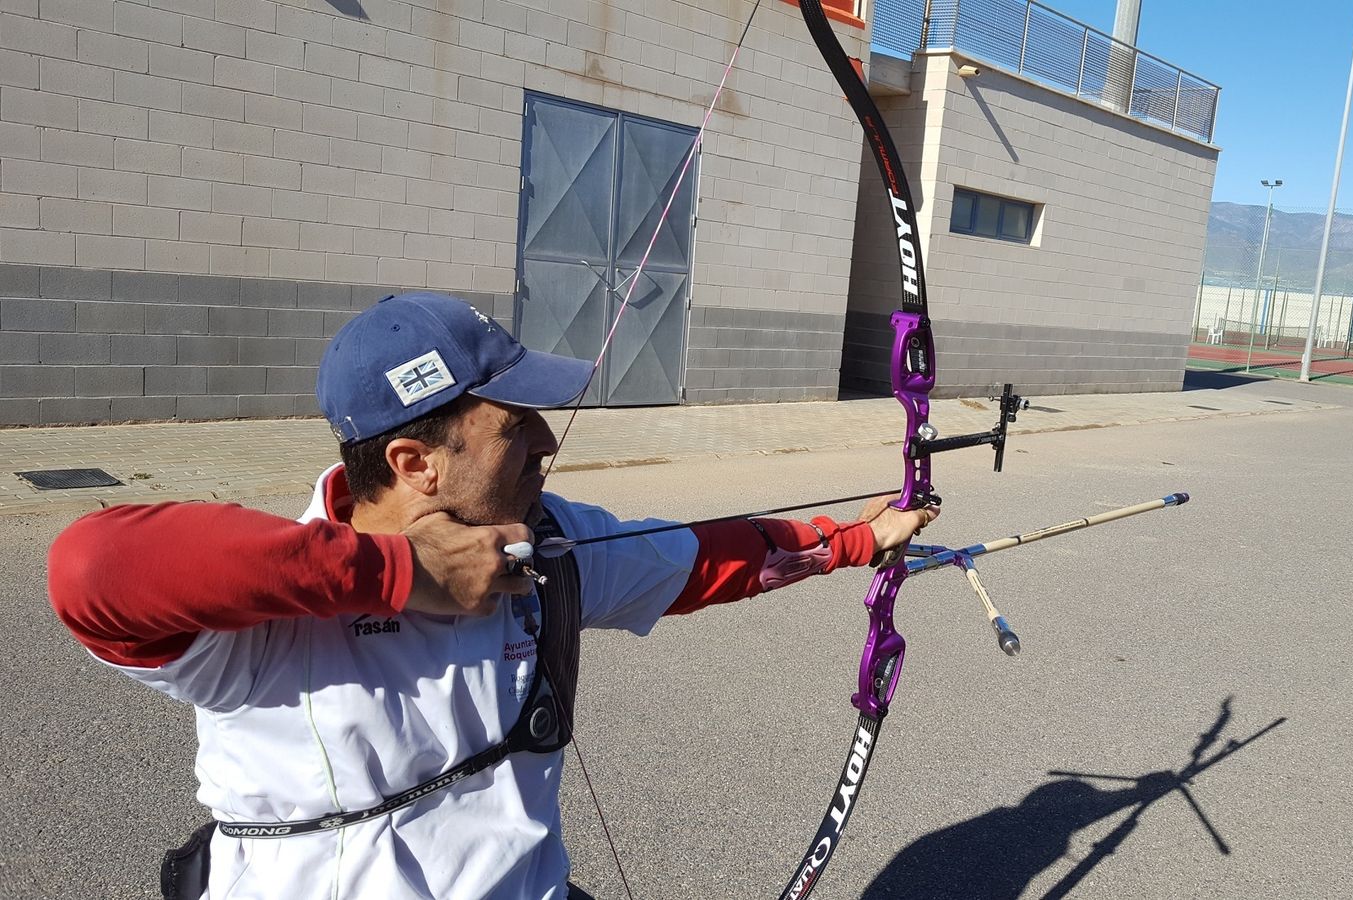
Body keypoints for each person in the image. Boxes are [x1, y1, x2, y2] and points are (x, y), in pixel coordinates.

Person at [47, 292, 936, 900]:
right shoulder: (270, 599)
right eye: (514, 425)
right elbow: (90, 570)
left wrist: (856, 541)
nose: (547, 440)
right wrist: (403, 576)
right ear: (415, 462)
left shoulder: (543, 535)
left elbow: (699, 560)